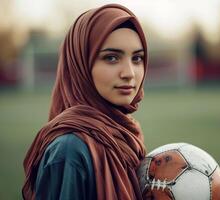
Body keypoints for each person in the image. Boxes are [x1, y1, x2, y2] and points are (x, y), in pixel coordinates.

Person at [22, 3, 148, 200]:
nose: (129, 73)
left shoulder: (127, 134)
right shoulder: (69, 150)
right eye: (112, 58)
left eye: (137, 58)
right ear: (80, 64)